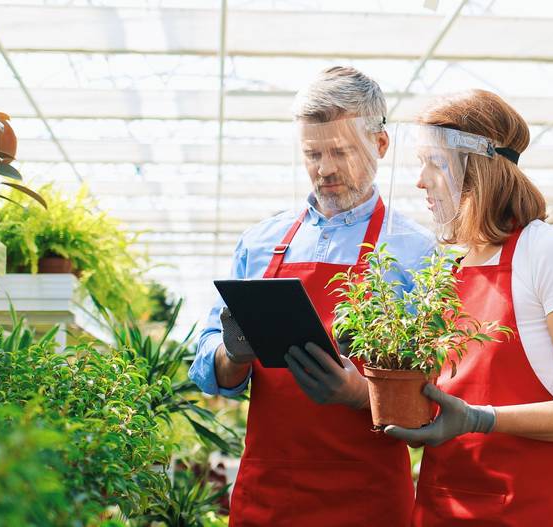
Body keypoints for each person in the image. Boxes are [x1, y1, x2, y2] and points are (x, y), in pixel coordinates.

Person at [188, 66, 435, 527]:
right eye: (312, 153)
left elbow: (439, 395)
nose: (325, 169)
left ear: (380, 145)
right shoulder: (261, 242)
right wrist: (232, 354)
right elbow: (206, 370)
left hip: (368, 498)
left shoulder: (417, 252)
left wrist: (362, 394)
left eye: (340, 151)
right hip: (269, 494)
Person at [383, 89, 553, 526]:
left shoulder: (548, 251)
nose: (419, 180)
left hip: (525, 510)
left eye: (433, 162)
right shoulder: (449, 268)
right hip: (441, 507)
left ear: (475, 166)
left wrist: (480, 420)